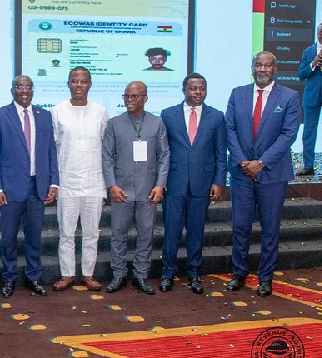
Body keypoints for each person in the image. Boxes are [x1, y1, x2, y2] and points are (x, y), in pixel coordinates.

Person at [225, 51, 301, 297]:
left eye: (268, 65)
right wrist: (243, 162)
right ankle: (239, 273)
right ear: (252, 67)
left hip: (273, 174)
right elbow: (230, 129)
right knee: (240, 227)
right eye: (258, 65)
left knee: (270, 229)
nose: (263, 69)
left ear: (275, 69)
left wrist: (262, 162)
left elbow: (289, 134)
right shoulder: (238, 94)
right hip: (242, 173)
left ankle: (265, 278)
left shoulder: (289, 96)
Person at [0, 75, 58, 298]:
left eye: (28, 87)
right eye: (19, 87)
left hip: (38, 186)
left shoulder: (44, 116)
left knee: (34, 236)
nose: (24, 91)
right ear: (12, 90)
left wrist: (54, 182)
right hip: (9, 189)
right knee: (8, 237)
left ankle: (34, 277)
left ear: (33, 91)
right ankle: (8, 278)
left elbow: (51, 153)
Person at [160, 73, 226, 294]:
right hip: (174, 182)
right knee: (171, 231)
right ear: (184, 90)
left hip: (202, 183)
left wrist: (219, 181)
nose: (198, 92)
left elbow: (220, 153)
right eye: (194, 88)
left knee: (196, 232)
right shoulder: (168, 115)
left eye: (202, 88)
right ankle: (167, 274)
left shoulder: (216, 116)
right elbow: (162, 152)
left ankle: (194, 274)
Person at [102, 81, 169, 294]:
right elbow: (106, 157)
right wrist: (111, 185)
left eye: (134, 96)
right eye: (126, 96)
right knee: (118, 235)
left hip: (148, 190)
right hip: (121, 191)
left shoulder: (157, 123)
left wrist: (160, 185)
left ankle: (141, 275)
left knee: (145, 235)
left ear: (145, 98)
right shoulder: (114, 123)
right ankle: (118, 275)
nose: (129, 100)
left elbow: (164, 156)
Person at [51, 67, 109, 292]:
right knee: (65, 232)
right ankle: (66, 274)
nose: (78, 85)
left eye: (83, 81)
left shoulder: (101, 112)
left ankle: (87, 274)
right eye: (74, 81)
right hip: (68, 181)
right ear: (68, 84)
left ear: (90, 84)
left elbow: (105, 147)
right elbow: (53, 148)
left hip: (94, 181)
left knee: (91, 233)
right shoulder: (57, 111)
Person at [297, 23, 322, 176]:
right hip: (312, 96)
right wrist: (313, 64)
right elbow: (301, 75)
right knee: (309, 133)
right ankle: (308, 166)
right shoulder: (308, 52)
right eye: (321, 31)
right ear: (317, 33)